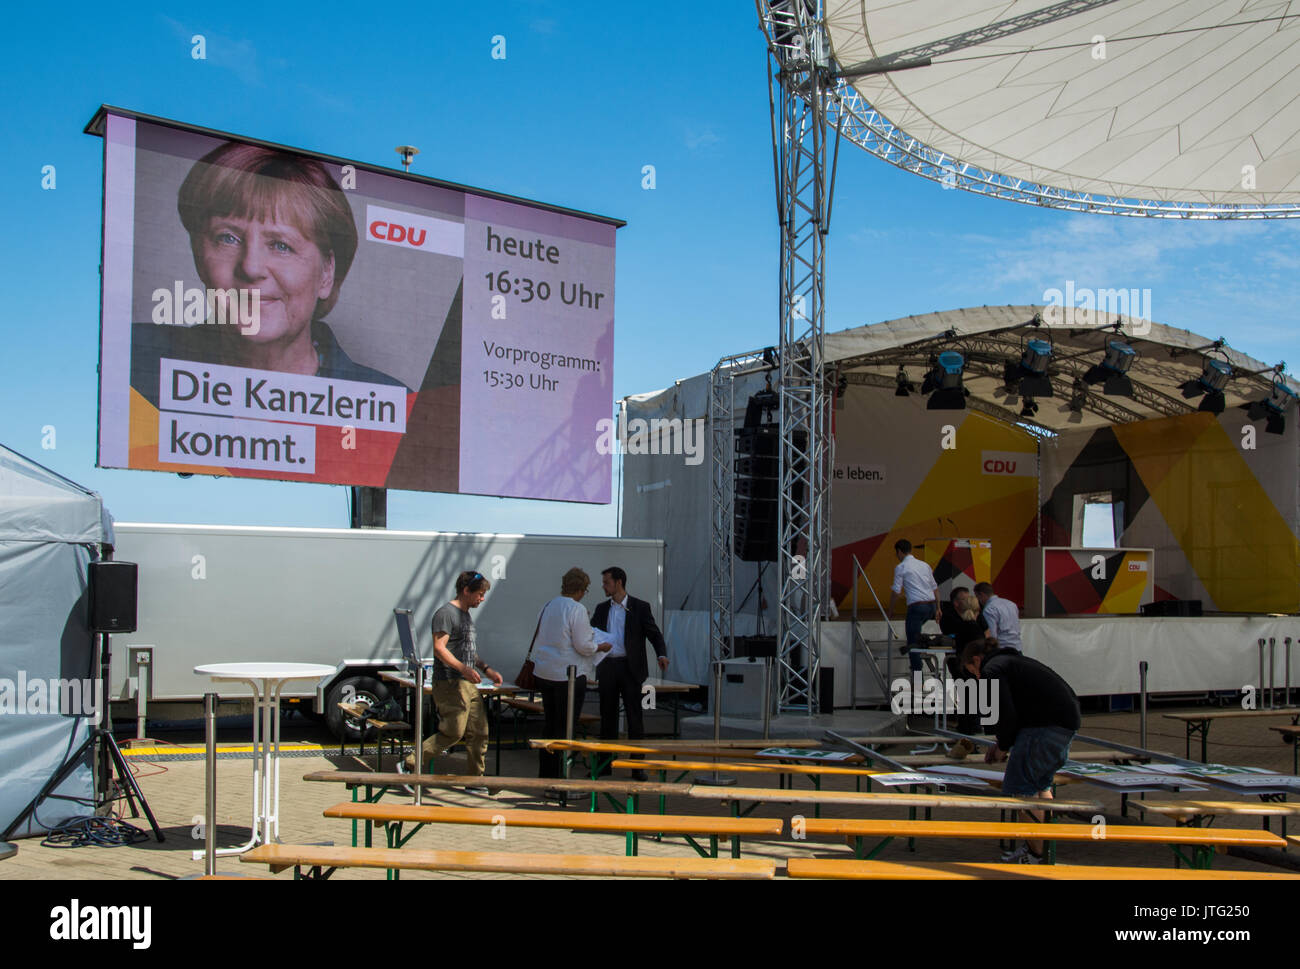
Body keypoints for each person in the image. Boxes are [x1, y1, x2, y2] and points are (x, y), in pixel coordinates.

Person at [131, 141, 406, 401]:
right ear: (198, 253)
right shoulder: (133, 360)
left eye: (281, 245)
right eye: (228, 238)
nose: (250, 267)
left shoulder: (397, 407)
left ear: (326, 272)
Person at [961, 639, 1081, 864]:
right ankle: (1043, 851)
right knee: (1040, 786)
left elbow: (1006, 714)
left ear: (976, 660)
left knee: (1020, 790)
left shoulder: (992, 669)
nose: (977, 678)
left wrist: (1003, 747)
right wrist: (1004, 743)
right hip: (1063, 722)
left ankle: (1036, 855)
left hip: (1043, 727)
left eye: (973, 672)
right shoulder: (1014, 661)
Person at [399, 571, 501, 793]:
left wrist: (486, 669)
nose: (482, 599)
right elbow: (439, 648)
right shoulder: (446, 614)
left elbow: (468, 651)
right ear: (466, 591)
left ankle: (475, 780)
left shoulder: (465, 615)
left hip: (466, 684)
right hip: (449, 683)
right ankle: (409, 765)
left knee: (480, 731)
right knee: (453, 731)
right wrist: (463, 668)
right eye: (480, 594)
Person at [533, 568, 612, 794]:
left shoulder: (548, 605)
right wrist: (601, 646)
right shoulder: (576, 609)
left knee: (550, 725)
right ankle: (561, 782)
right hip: (568, 674)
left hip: (545, 672)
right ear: (579, 589)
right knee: (566, 728)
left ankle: (545, 779)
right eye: (585, 590)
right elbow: (583, 646)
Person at [591, 566, 669, 780]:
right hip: (607, 667)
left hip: (630, 668)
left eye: (607, 582)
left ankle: (637, 767)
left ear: (619, 582)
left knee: (635, 718)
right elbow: (591, 634)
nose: (604, 586)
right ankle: (605, 765)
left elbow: (654, 633)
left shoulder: (640, 607)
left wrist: (661, 654)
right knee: (607, 718)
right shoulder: (601, 609)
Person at [938, 586, 988, 759]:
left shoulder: (963, 627)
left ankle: (966, 735)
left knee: (967, 701)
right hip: (969, 668)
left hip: (963, 666)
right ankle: (971, 737)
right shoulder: (974, 628)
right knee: (972, 702)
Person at [887, 539, 941, 672]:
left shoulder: (901, 567)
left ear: (899, 551)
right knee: (916, 636)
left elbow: (896, 591)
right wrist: (939, 608)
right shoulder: (925, 565)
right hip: (931, 606)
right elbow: (935, 588)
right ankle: (921, 645)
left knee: (912, 643)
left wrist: (890, 610)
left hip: (917, 607)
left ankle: (917, 679)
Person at [974, 581, 1022, 653]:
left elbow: (991, 635)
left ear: (981, 595)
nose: (978, 601)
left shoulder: (989, 609)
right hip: (1017, 647)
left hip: (1002, 649)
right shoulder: (1011, 604)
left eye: (977, 597)